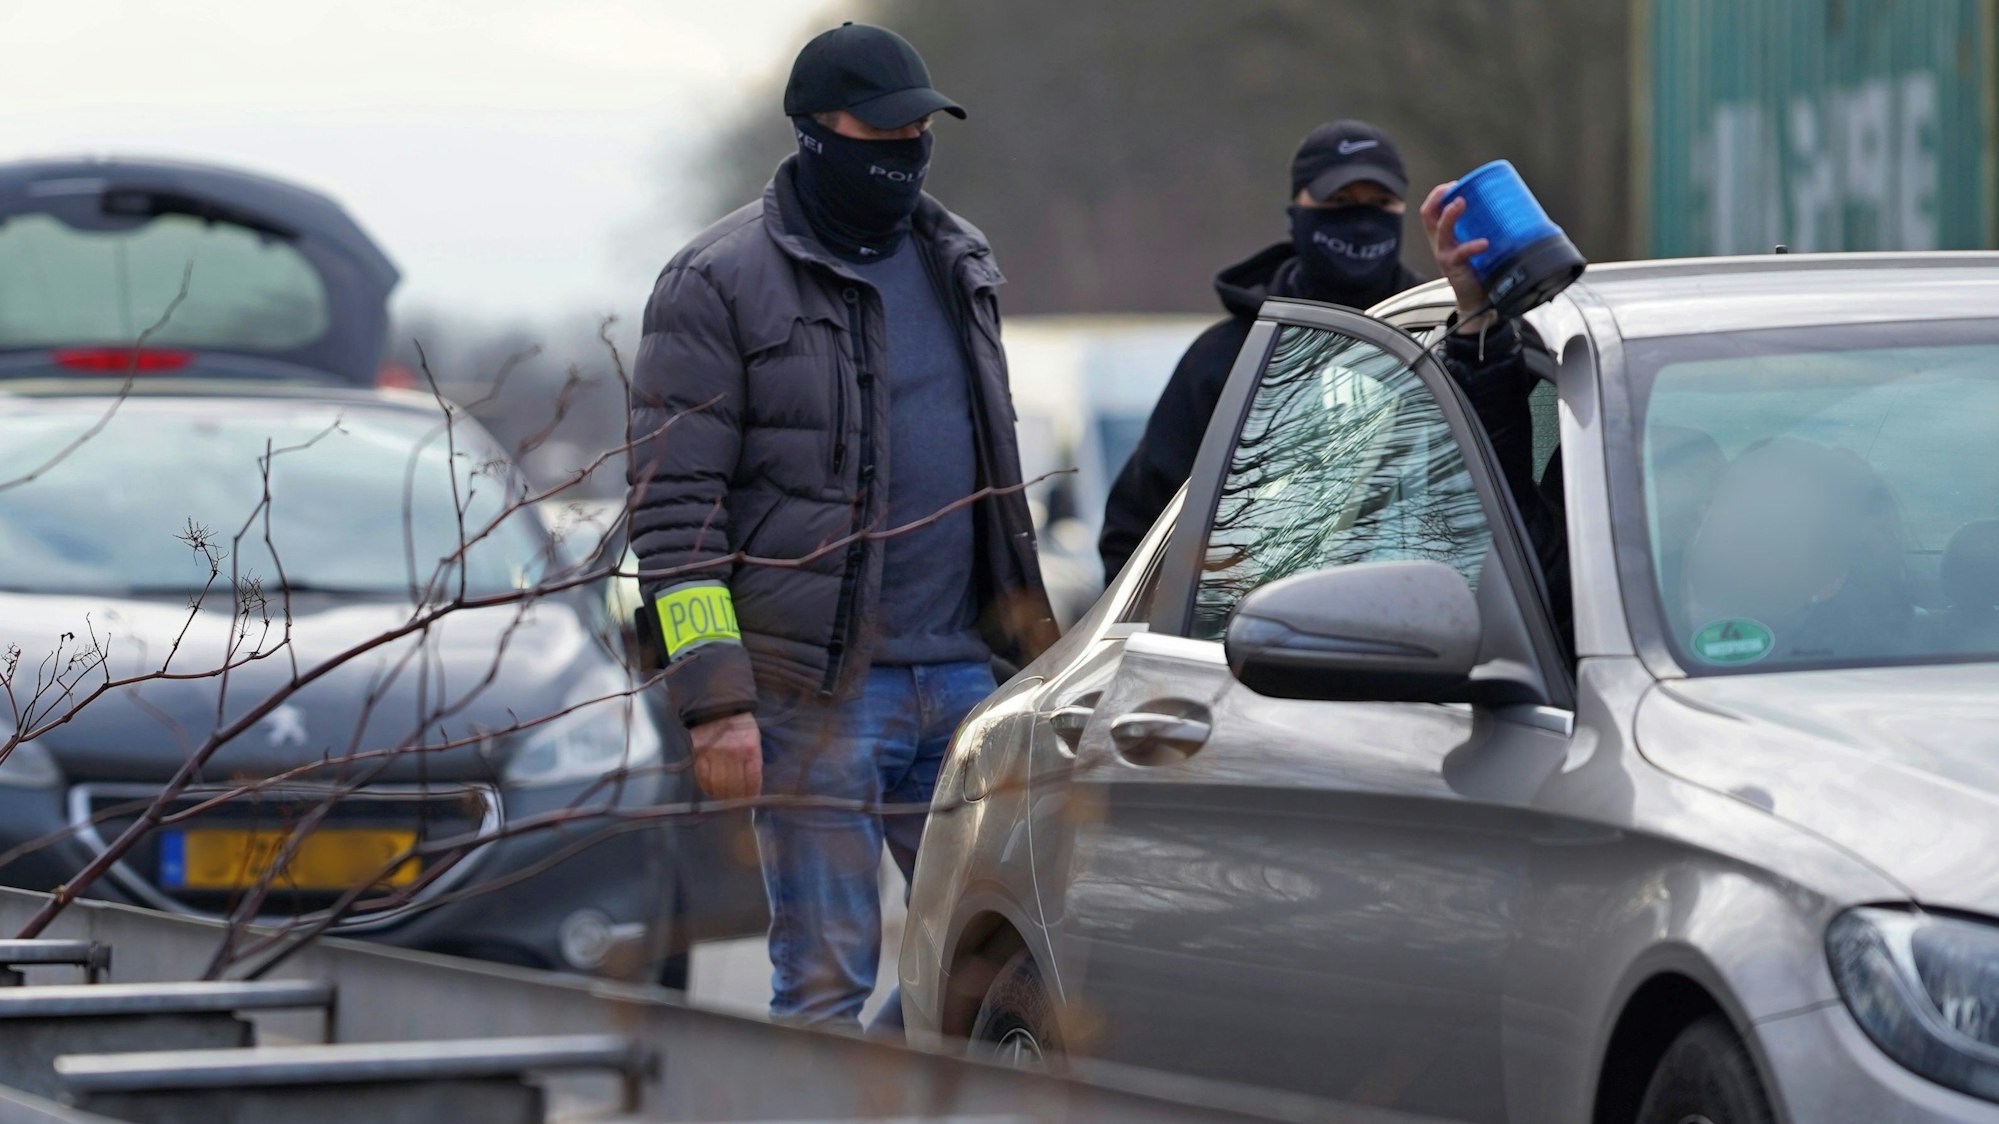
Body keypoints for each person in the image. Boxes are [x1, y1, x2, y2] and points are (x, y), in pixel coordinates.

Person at [626, 22, 1056, 1030]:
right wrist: (714, 702)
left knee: (1003, 962)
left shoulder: (961, 262)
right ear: (817, 133)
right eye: (885, 129)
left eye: (921, 129)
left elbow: (993, 469)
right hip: (811, 696)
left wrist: (1027, 653)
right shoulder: (715, 282)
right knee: (821, 981)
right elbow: (674, 513)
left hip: (964, 682)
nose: (907, 150)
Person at [1099, 120, 1422, 579]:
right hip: (1244, 643)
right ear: (1297, 211)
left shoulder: (1438, 345)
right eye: (1340, 203)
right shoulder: (1225, 360)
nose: (1361, 220)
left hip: (1424, 627)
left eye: (1380, 203)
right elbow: (1136, 533)